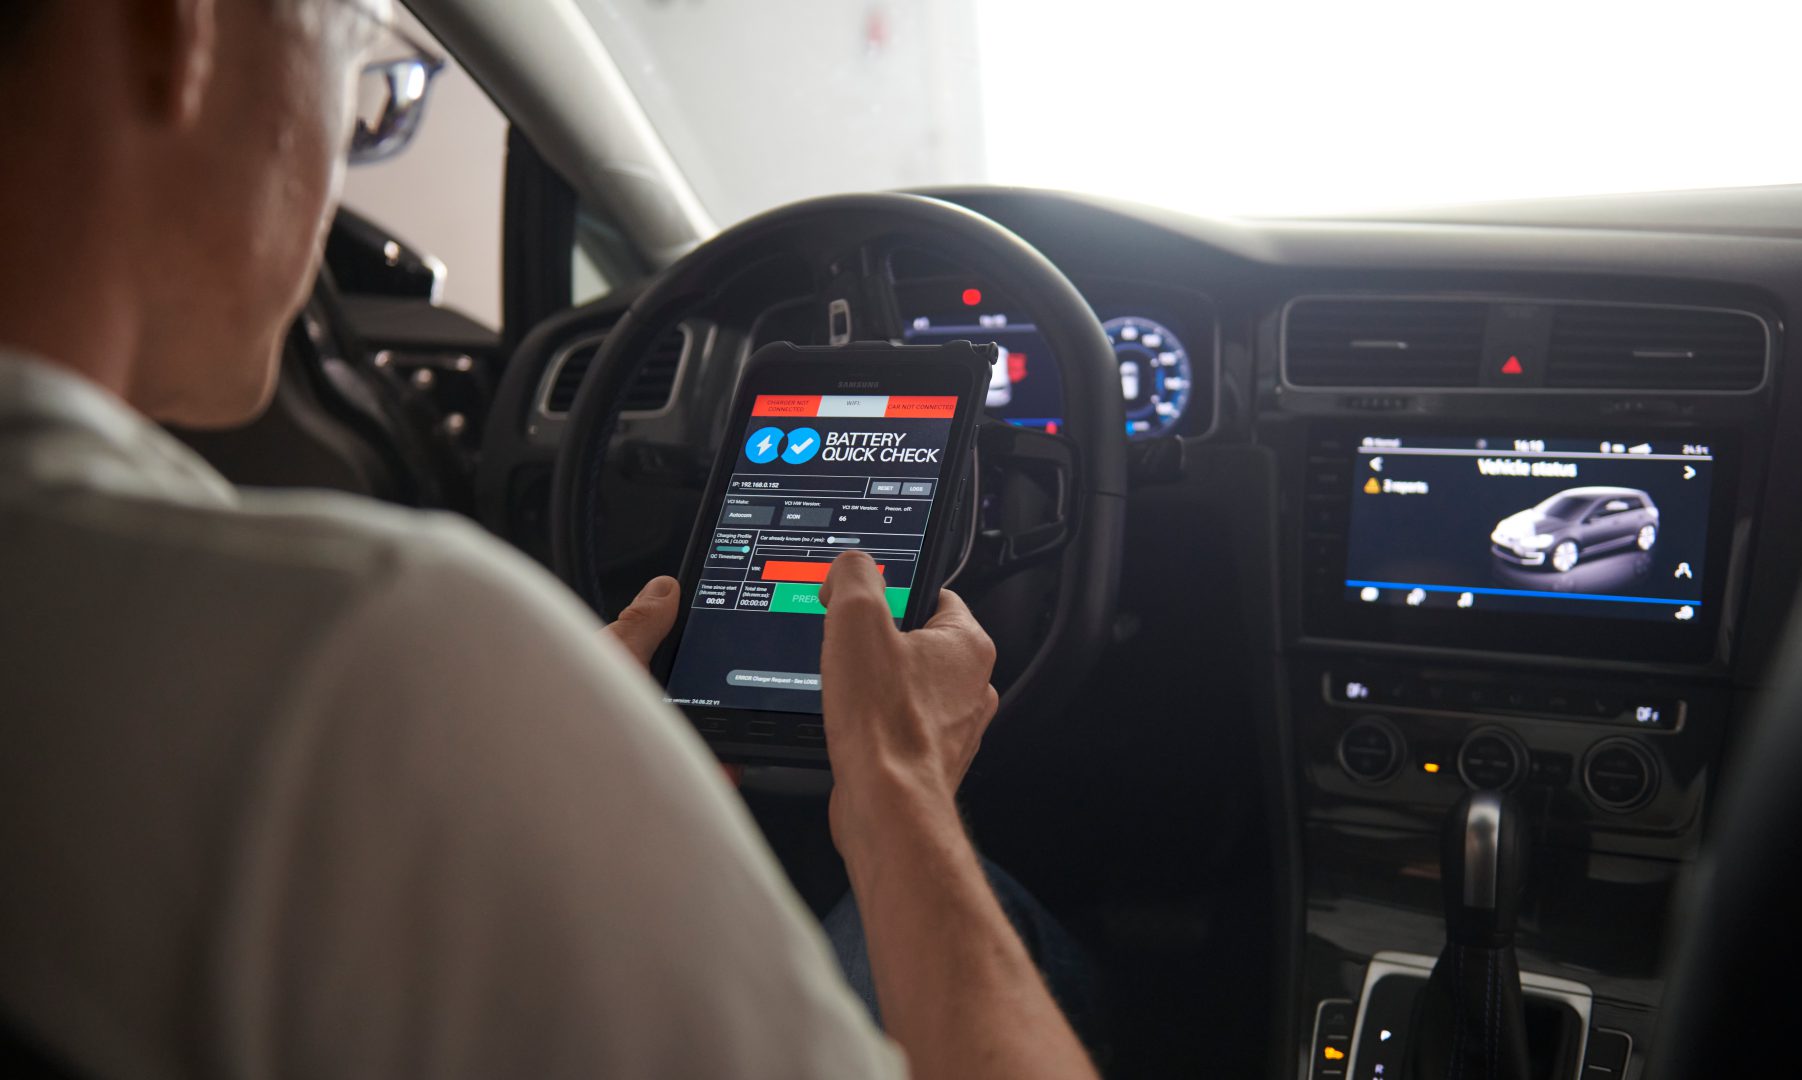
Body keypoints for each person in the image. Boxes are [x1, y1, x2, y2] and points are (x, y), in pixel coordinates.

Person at [0, 2, 1098, 1077]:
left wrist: (571, 771)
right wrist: (899, 788)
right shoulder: (364, 651)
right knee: (990, 914)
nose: (344, 146)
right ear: (171, 28)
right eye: (359, 61)